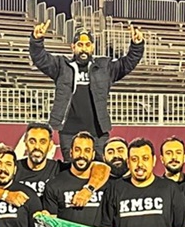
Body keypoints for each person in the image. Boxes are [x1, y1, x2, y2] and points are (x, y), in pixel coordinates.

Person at [30, 21, 145, 161]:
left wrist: (137, 46)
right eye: (80, 45)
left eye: (87, 45)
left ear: (92, 47)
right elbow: (41, 59)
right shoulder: (62, 67)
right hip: (69, 133)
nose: (83, 49)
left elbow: (126, 64)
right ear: (73, 47)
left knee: (100, 169)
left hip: (98, 133)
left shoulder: (104, 67)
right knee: (71, 169)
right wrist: (37, 40)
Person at [102, 138, 185, 227]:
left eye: (145, 158)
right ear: (128, 163)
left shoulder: (171, 189)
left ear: (153, 161)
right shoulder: (114, 190)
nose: (140, 164)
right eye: (134, 159)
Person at [41, 132, 110, 227]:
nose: (82, 155)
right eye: (77, 150)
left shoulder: (105, 182)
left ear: (93, 154)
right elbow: (52, 225)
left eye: (87, 150)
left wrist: (88, 190)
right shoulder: (54, 185)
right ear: (71, 153)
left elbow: (104, 167)